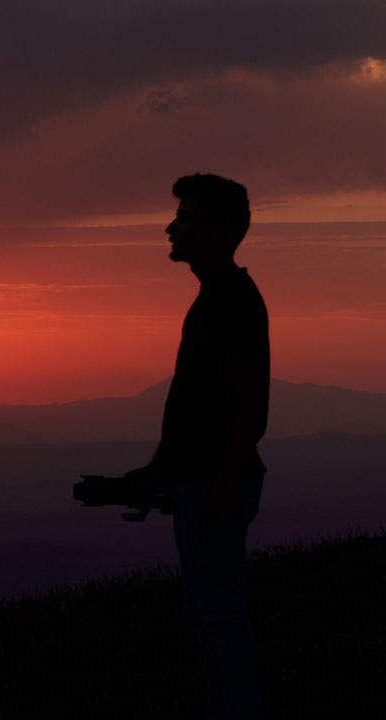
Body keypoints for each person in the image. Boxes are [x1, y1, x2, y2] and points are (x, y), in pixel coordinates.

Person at [125, 173, 269, 719]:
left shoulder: (233, 299)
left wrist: (227, 476)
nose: (170, 228)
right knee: (204, 609)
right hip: (201, 478)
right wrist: (161, 468)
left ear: (220, 228)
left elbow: (252, 399)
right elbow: (193, 401)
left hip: (216, 480)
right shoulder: (215, 298)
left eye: (184, 218)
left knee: (220, 613)